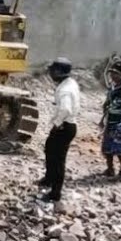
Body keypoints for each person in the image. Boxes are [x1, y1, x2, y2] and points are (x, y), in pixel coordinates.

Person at [38, 58, 79, 203]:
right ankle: (48, 179)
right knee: (49, 149)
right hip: (67, 125)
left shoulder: (65, 90)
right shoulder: (70, 82)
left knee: (57, 160)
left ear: (59, 72)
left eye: (52, 71)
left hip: (64, 126)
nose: (50, 74)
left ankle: (55, 193)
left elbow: (66, 109)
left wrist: (56, 124)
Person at [99, 58, 121, 178]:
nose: (113, 75)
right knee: (106, 147)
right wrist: (102, 119)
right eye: (112, 73)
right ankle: (110, 169)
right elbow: (108, 104)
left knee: (119, 147)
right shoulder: (113, 87)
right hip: (110, 122)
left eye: (116, 73)